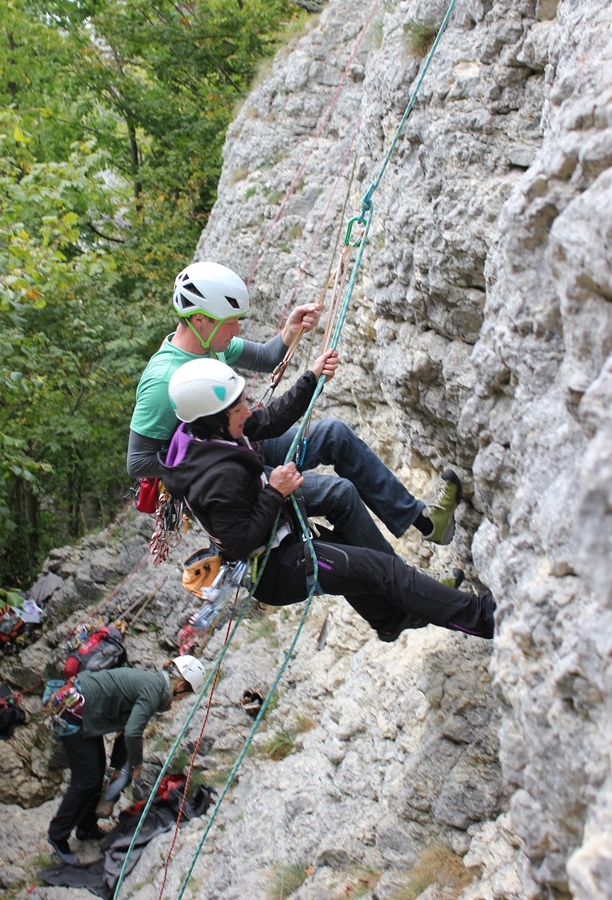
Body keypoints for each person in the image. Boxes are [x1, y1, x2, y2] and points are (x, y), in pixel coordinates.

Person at [157, 356, 496, 645]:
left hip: (283, 538)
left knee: (360, 552)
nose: (247, 412)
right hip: (277, 568)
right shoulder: (216, 478)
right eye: (238, 409)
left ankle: (391, 619)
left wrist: (311, 379)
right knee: (383, 571)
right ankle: (484, 617)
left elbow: (269, 420)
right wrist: (274, 491)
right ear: (215, 419)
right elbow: (240, 543)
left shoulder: (212, 431)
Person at [128, 261, 461, 551]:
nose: (237, 328)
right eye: (230, 321)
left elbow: (266, 357)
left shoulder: (211, 345)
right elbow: (138, 461)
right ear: (200, 319)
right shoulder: (163, 380)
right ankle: (403, 588)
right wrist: (218, 461)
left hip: (241, 443)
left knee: (334, 434)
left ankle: (425, 523)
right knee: (339, 493)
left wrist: (291, 330)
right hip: (227, 470)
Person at [46, 657, 205, 866]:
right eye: (185, 694)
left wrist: (118, 768)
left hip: (84, 711)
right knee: (86, 780)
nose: (181, 699)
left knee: (95, 774)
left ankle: (86, 827)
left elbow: (125, 727)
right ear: (181, 685)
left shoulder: (154, 686)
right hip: (73, 714)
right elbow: (132, 732)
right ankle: (57, 836)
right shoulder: (154, 691)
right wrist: (136, 763)